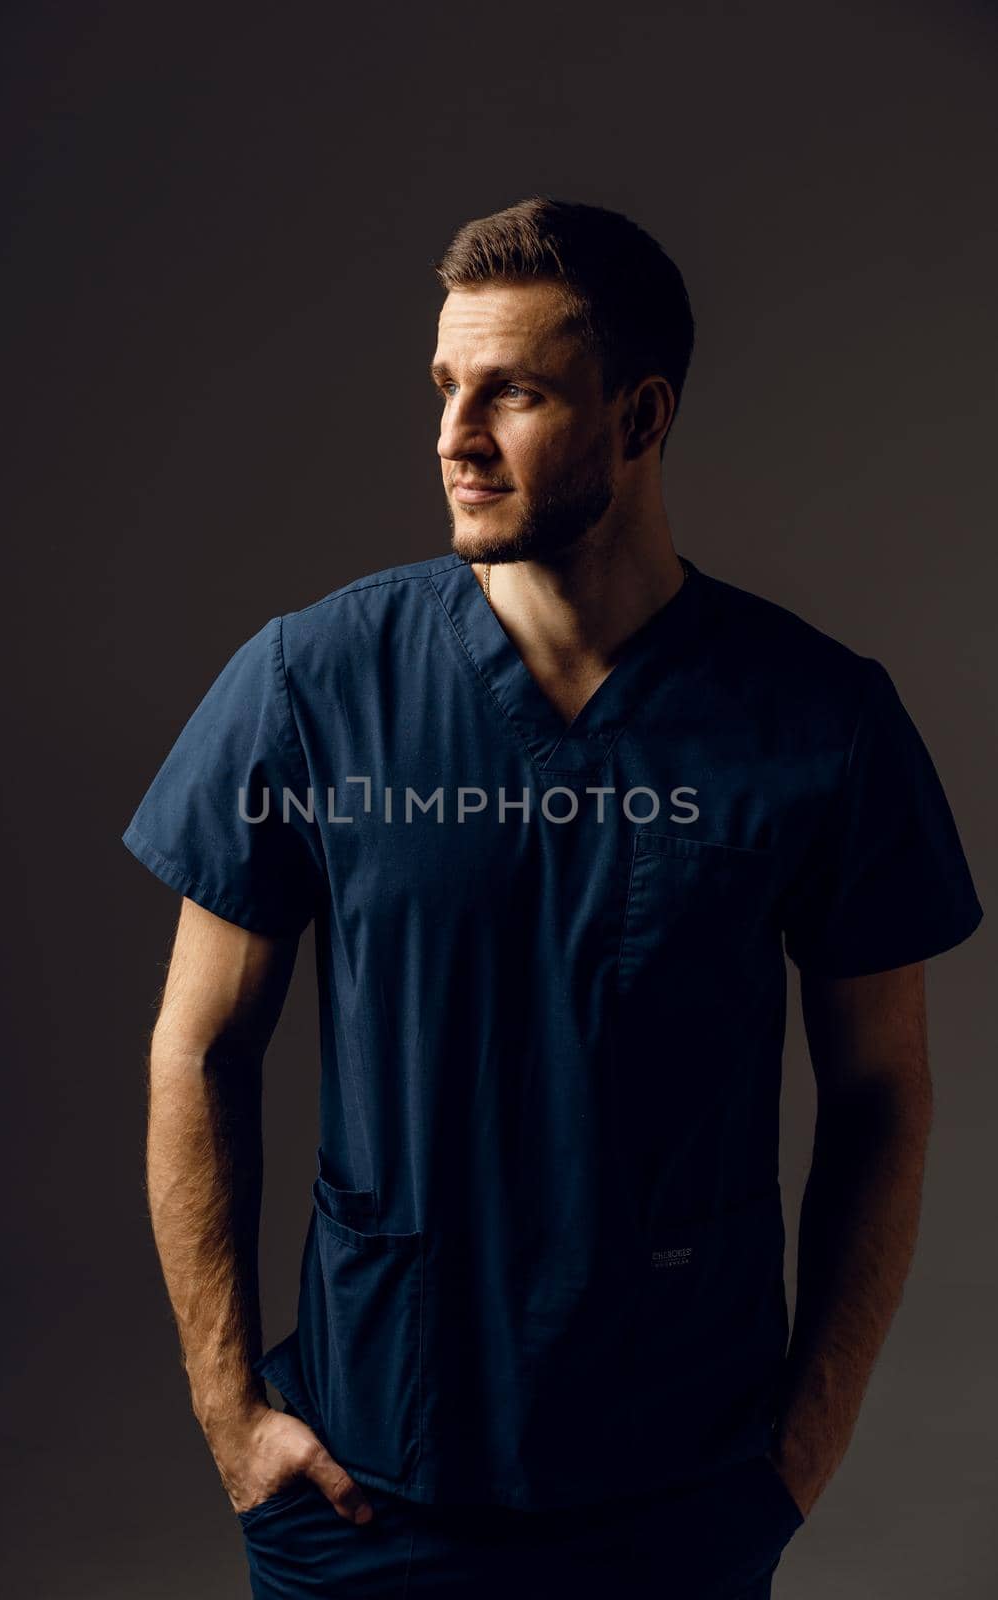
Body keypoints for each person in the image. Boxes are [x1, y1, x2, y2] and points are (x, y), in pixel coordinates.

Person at [122, 197, 984, 1598]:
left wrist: (805, 1443)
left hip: (681, 1492)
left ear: (641, 420)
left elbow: (883, 1091)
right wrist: (231, 1413)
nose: (455, 435)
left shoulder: (819, 721)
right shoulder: (307, 686)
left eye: (513, 392)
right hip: (363, 1480)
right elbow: (198, 1045)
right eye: (446, 388)